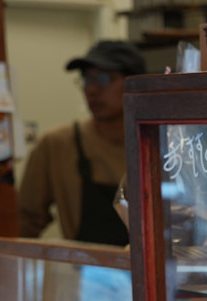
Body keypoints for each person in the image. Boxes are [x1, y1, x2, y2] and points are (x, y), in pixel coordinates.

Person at [17, 40, 146, 245]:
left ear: (135, 83)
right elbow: (25, 220)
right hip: (84, 264)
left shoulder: (160, 144)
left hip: (151, 265)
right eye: (86, 79)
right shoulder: (57, 144)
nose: (92, 89)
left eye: (104, 78)